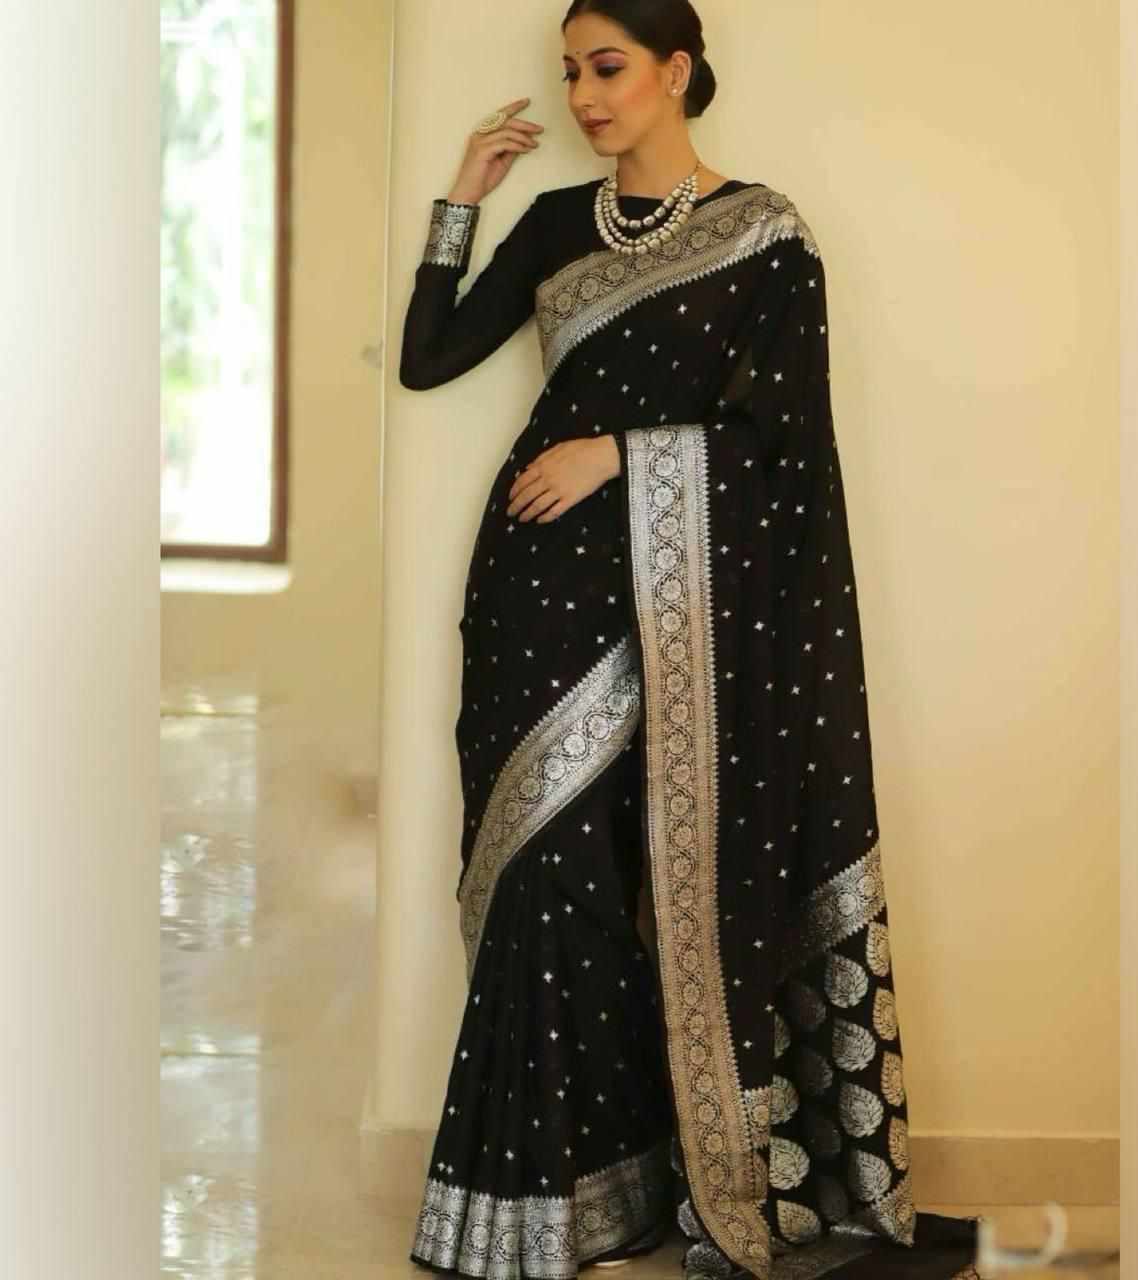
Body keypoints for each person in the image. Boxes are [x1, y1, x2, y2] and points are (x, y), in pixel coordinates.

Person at [401, 3, 982, 1277]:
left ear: (675, 71)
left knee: (658, 880)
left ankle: (680, 1177)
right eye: (569, 72)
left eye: (606, 67)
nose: (582, 96)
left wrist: (619, 452)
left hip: (681, 607)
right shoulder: (554, 223)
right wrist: (463, 197)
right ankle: (545, 1200)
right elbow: (427, 358)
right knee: (545, 881)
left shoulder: (765, 236)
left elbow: (783, 443)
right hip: (533, 590)